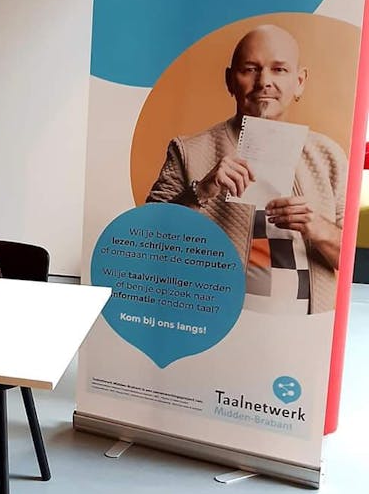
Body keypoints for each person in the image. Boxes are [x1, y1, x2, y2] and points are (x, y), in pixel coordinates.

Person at [147, 24, 346, 314]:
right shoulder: (188, 150)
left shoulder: (328, 156)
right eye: (250, 69)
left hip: (305, 327)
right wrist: (200, 191)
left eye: (279, 70)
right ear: (230, 80)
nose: (264, 81)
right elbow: (147, 241)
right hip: (214, 321)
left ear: (300, 81)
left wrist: (319, 228)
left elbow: (350, 260)